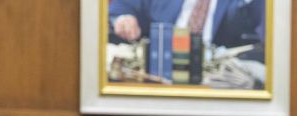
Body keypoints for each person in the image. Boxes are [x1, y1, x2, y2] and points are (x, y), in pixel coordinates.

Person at [109, 0, 265, 58]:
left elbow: (256, 17)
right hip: (161, 62)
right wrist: (124, 17)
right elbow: (123, 5)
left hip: (217, 73)